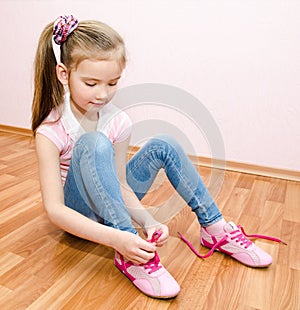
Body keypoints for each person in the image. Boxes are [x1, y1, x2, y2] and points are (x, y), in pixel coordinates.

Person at [32, 15, 283, 299]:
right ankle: (131, 254)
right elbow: (55, 210)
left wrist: (148, 221)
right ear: (64, 74)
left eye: (112, 83)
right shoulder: (51, 131)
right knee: (93, 142)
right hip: (80, 216)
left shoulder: (118, 121)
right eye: (91, 84)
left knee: (164, 143)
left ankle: (214, 228)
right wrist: (120, 238)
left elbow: (120, 185)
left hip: (112, 206)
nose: (103, 94)